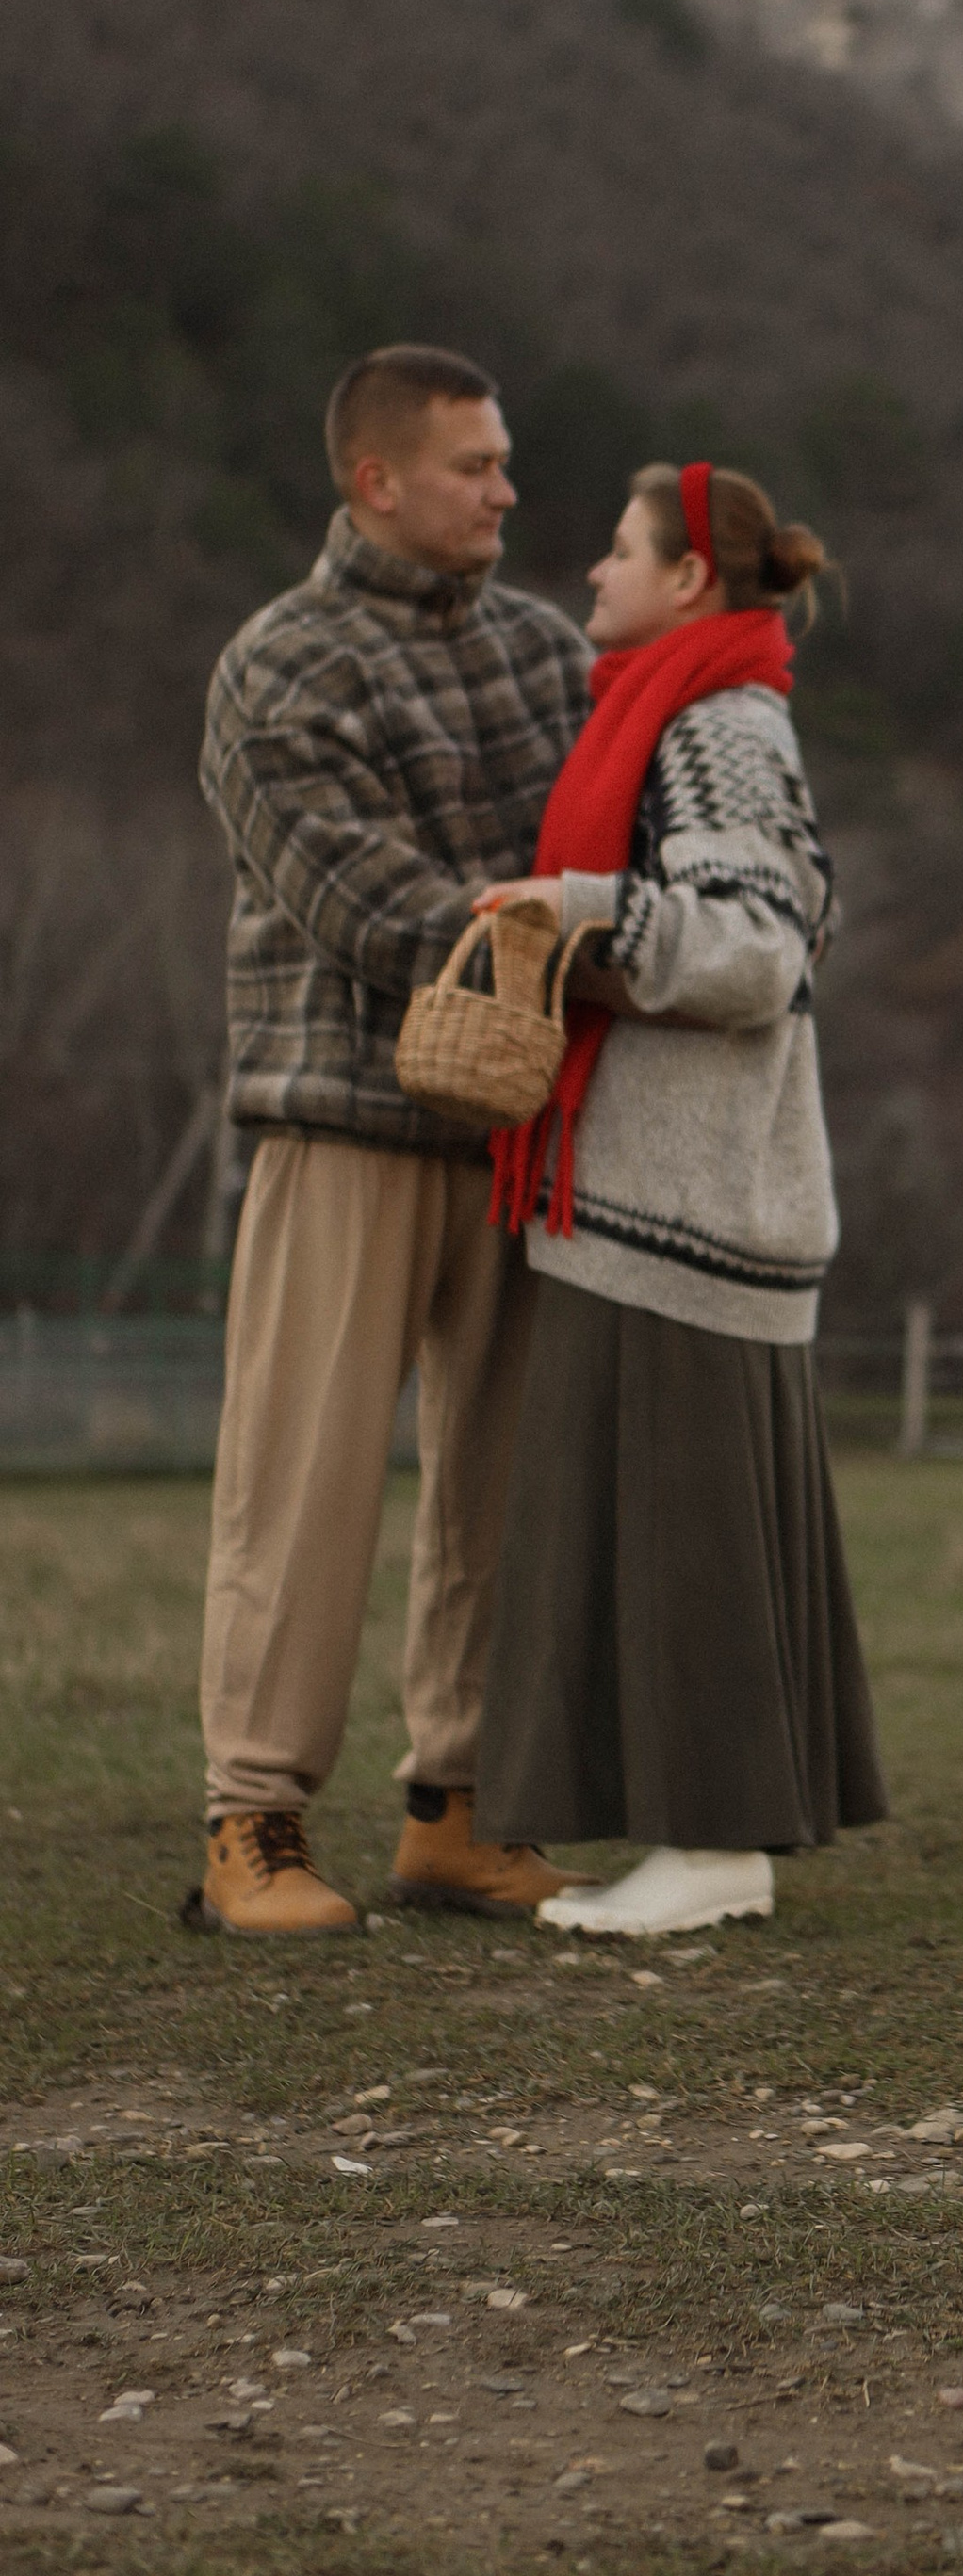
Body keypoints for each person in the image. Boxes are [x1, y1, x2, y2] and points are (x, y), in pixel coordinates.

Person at [191, 345, 590, 1935]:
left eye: (504, 463)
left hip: (522, 1130)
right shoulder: (276, 663)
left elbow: (609, 834)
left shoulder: (553, 653)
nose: (505, 491)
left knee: (500, 1487)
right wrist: (549, 936)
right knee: (302, 1485)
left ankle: (457, 1809)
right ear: (376, 480)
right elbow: (349, 891)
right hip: (342, 1117)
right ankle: (253, 1821)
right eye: (474, 467)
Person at [471, 459, 886, 1938]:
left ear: (690, 578)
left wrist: (575, 910)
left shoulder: (717, 725)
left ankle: (712, 1848)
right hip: (660, 1193)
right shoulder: (696, 709)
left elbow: (757, 949)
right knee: (655, 1518)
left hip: (688, 1200)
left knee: (681, 1522)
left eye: (620, 547)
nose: (590, 569)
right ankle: (697, 1840)